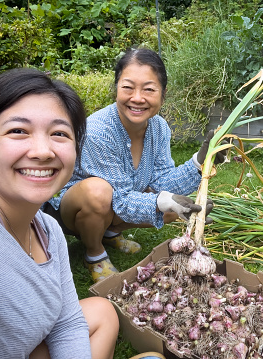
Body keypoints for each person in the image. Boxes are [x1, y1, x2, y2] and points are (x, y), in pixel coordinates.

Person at [0, 68, 122, 358]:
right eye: (18, 131)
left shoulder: (48, 230)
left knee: (102, 311)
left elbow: (67, 323)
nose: (43, 151)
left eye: (59, 133)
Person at [44, 48, 224, 283]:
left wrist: (199, 163)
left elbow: (162, 181)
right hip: (76, 211)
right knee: (99, 191)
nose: (137, 98)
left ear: (163, 94)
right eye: (128, 87)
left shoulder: (159, 128)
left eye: (149, 89)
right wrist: (163, 201)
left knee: (171, 208)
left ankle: (110, 234)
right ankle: (94, 253)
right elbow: (119, 199)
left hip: (115, 205)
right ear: (116, 88)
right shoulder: (99, 131)